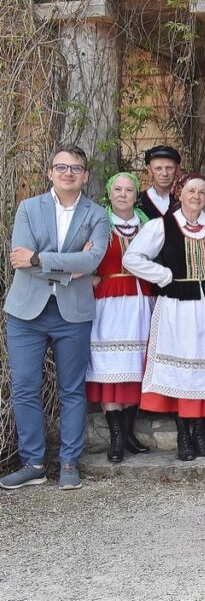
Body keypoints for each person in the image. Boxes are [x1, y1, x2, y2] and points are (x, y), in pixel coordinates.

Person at [1, 147, 109, 491]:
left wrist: (42, 259)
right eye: (61, 167)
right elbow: (21, 259)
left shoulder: (97, 214)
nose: (68, 172)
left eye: (75, 168)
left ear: (85, 175)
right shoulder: (29, 208)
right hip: (26, 313)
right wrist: (69, 268)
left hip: (72, 314)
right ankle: (33, 463)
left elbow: (91, 261)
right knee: (25, 388)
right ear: (50, 172)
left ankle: (68, 463)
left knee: (73, 390)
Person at [122, 173, 205, 462]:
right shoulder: (161, 226)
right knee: (182, 370)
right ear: (180, 193)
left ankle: (200, 433)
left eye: (202, 192)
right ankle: (183, 435)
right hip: (176, 308)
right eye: (191, 190)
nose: (197, 196)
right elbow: (132, 258)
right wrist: (162, 275)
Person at [86, 172, 155, 463]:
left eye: (129, 190)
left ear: (136, 194)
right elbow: (85, 259)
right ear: (109, 194)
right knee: (111, 365)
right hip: (109, 302)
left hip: (141, 300)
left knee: (135, 364)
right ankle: (115, 439)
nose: (123, 194)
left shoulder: (147, 225)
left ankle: (128, 435)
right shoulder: (98, 223)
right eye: (118, 189)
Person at [137, 144, 181, 220]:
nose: (164, 173)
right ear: (149, 170)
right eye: (158, 168)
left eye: (169, 168)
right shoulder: (138, 201)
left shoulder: (186, 200)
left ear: (177, 169)